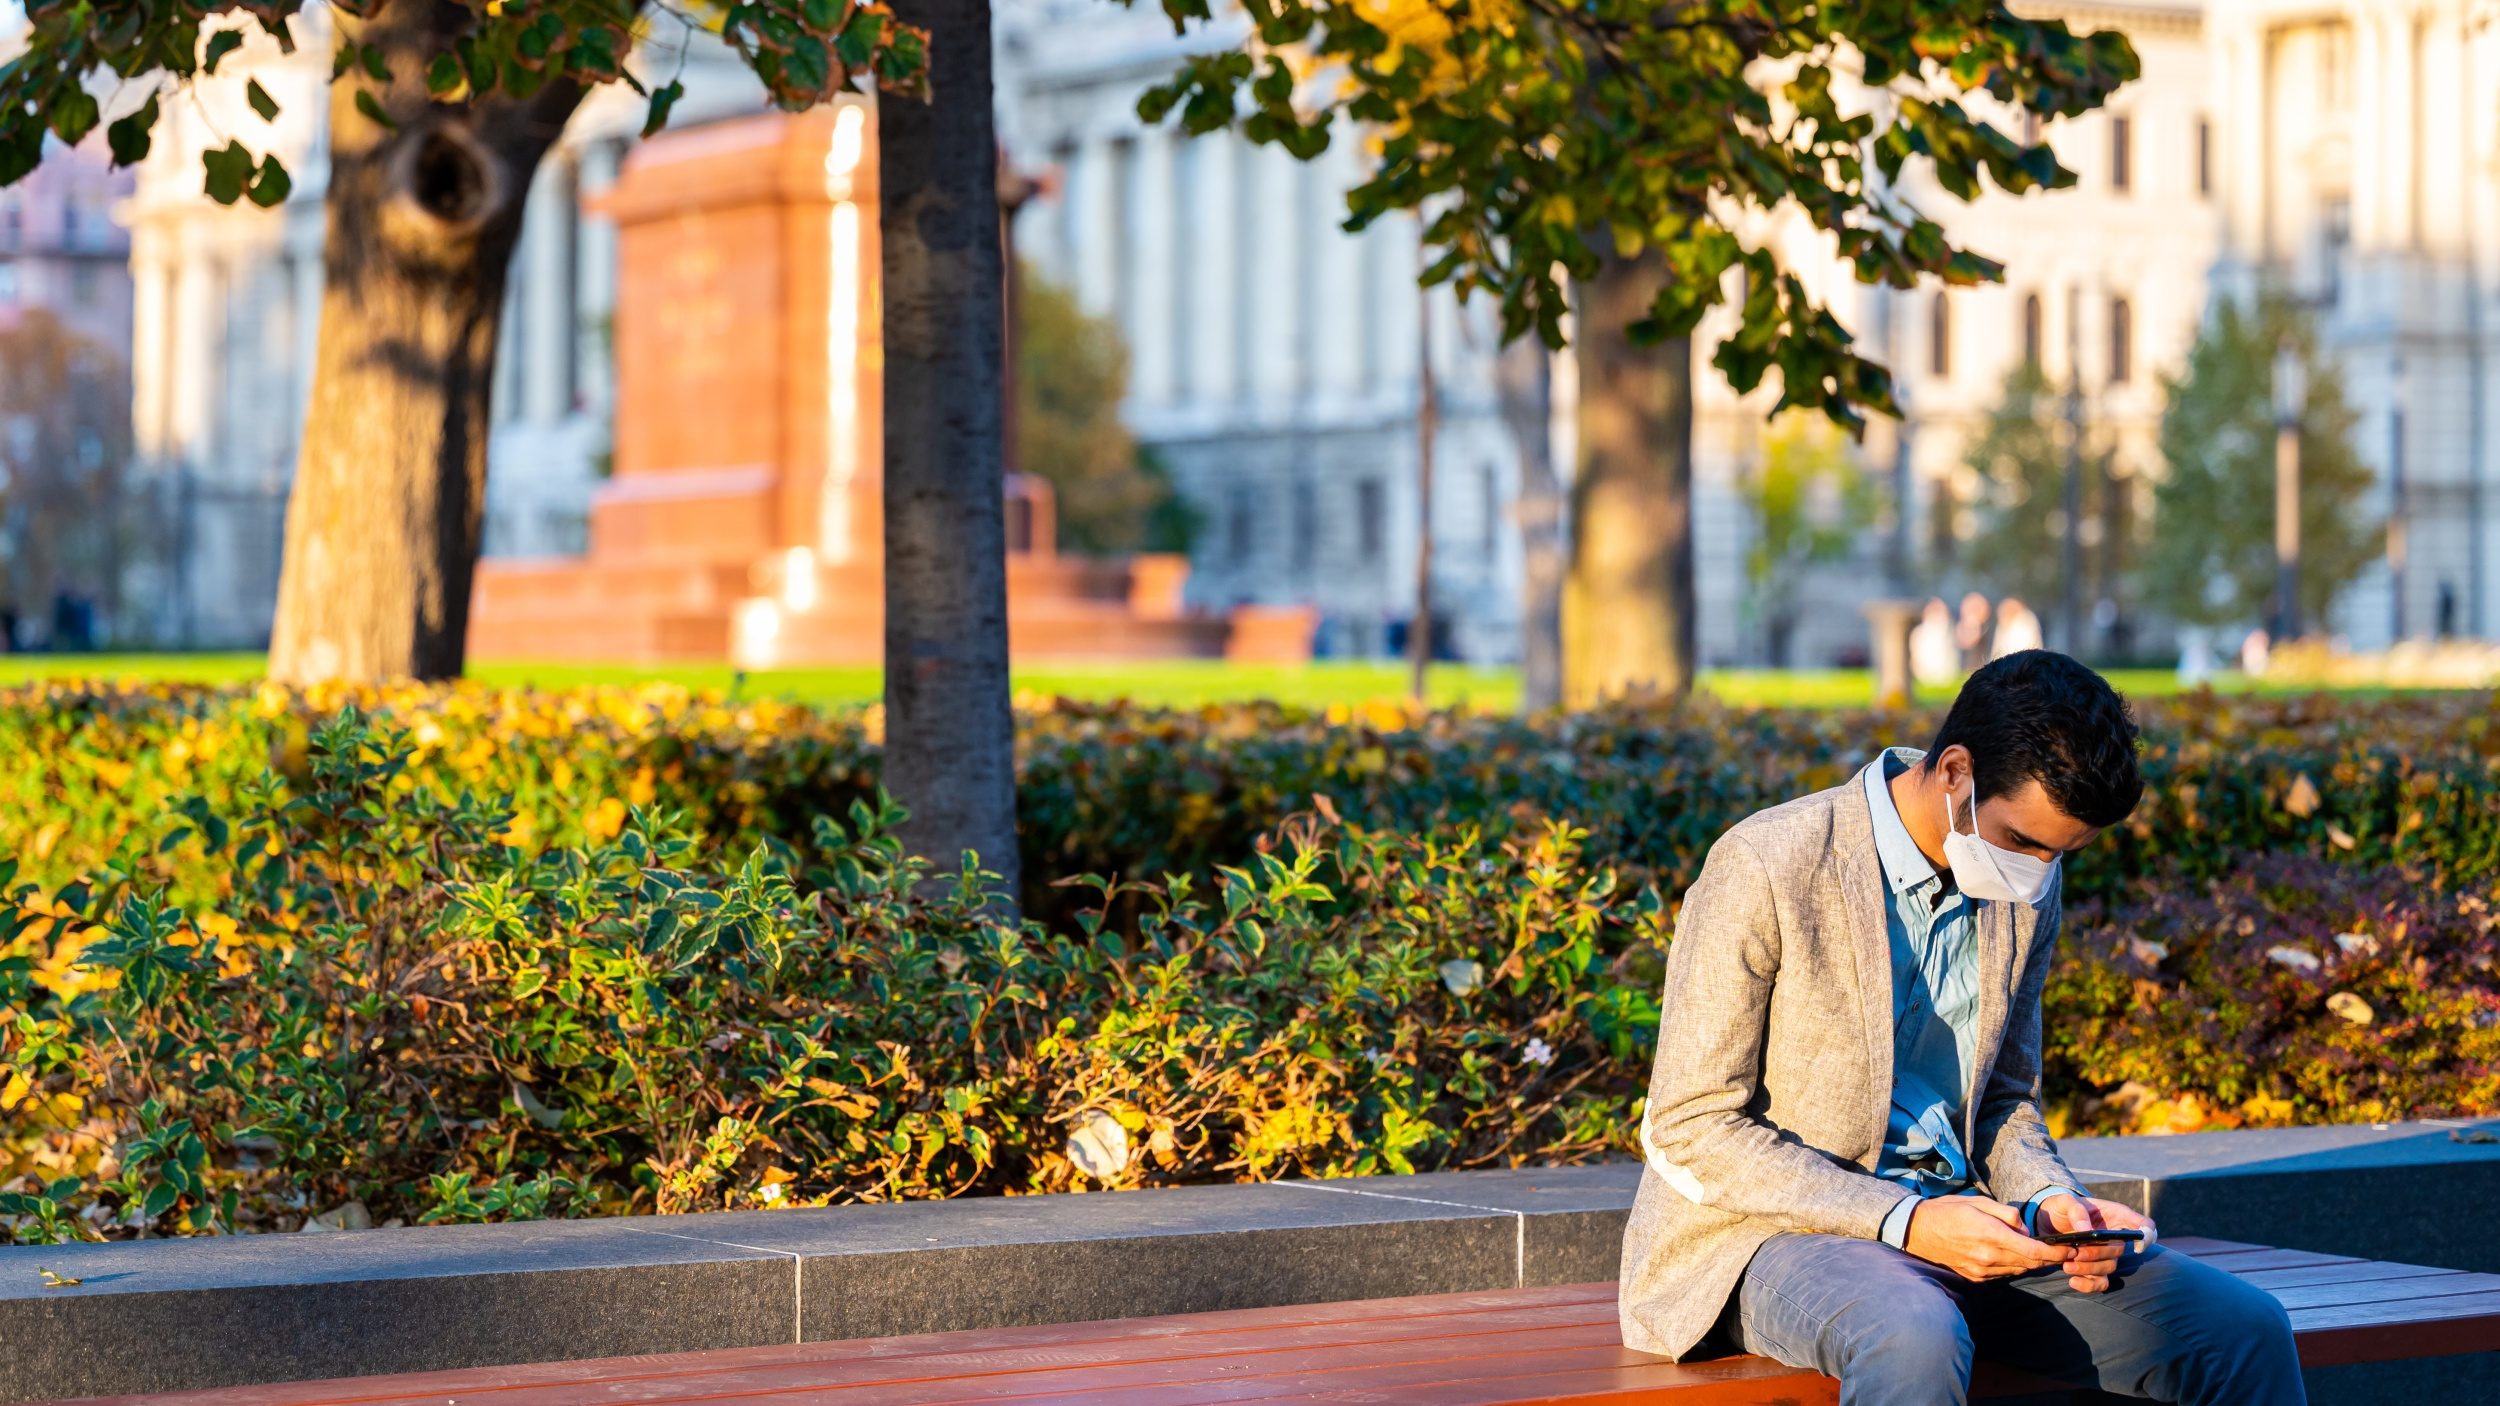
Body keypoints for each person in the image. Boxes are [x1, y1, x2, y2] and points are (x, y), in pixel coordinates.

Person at [1617, 651, 2303, 1404]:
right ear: (1954, 772)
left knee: (2241, 1328)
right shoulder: (1768, 863)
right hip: (1769, 1232)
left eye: (2061, 852)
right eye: (2022, 842)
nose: (2039, 871)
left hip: (1971, 1223)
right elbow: (1691, 1124)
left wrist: (2051, 1200)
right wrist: (1904, 1220)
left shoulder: (2025, 885)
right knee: (1912, 1333)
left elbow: (2006, 1095)